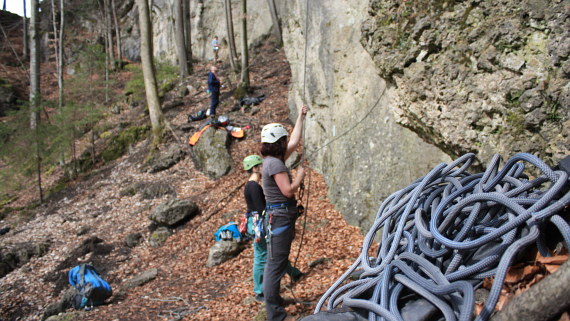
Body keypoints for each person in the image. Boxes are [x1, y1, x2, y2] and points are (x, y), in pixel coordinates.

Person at [261, 105, 307, 321]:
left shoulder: (273, 160)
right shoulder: (275, 165)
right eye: (283, 140)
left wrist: (301, 116)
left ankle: (275, 303)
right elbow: (288, 190)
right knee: (274, 266)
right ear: (278, 143)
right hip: (279, 217)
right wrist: (299, 176)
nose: (285, 143)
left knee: (277, 263)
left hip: (279, 217)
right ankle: (275, 314)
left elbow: (295, 142)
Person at [242, 155, 303, 303]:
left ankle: (294, 273)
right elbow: (261, 208)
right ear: (255, 168)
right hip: (259, 224)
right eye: (261, 167)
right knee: (262, 255)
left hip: (256, 222)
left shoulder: (250, 185)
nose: (263, 169)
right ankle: (260, 291)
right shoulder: (254, 186)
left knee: (275, 251)